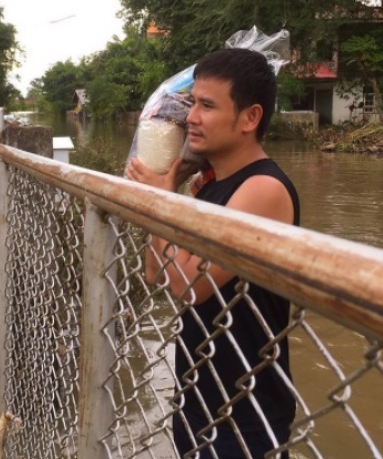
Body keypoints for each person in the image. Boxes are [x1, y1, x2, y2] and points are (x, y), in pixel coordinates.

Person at [125, 48, 299, 458]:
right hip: (199, 392)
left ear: (250, 118)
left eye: (207, 106)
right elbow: (157, 273)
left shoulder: (263, 188)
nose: (191, 118)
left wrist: (161, 202)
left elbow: (188, 286)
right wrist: (166, 199)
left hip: (246, 410)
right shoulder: (211, 186)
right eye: (192, 104)